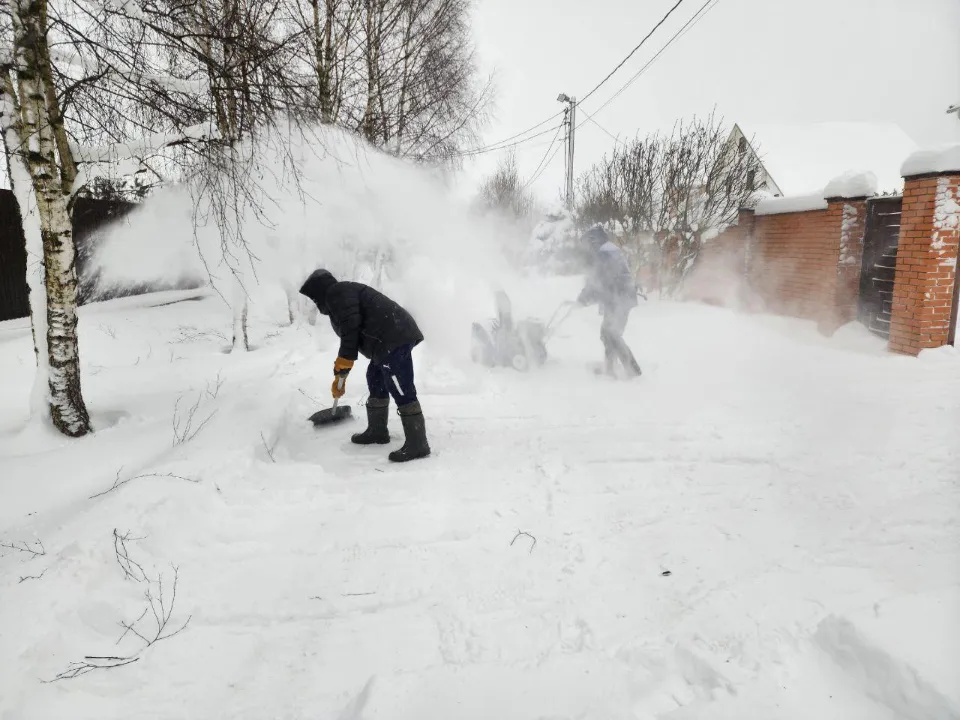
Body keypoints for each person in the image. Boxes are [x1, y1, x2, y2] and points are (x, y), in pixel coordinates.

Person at [299, 269, 430, 462]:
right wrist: (341, 371)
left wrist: (343, 367)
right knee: (375, 377)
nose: (316, 304)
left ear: (319, 293)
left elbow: (350, 331)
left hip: (394, 336)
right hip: (385, 341)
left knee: (399, 385)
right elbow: (350, 330)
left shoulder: (338, 293)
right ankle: (377, 431)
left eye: (314, 299)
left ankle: (418, 444)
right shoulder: (340, 296)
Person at [575, 226, 642, 378]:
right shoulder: (609, 250)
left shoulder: (604, 254)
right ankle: (609, 368)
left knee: (611, 334)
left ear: (593, 241)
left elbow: (597, 282)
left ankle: (633, 370)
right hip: (618, 299)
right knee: (608, 333)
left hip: (619, 299)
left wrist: (582, 300)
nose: (587, 248)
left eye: (587, 244)